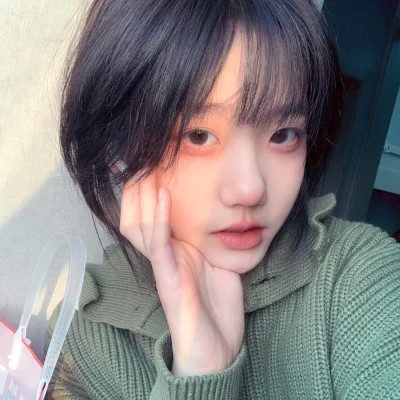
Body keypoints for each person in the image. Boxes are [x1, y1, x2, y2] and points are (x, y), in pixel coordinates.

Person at [45, 0, 400, 398]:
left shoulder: (361, 274)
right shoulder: (85, 338)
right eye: (197, 136)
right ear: (117, 149)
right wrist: (199, 372)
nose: (250, 189)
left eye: (283, 134)